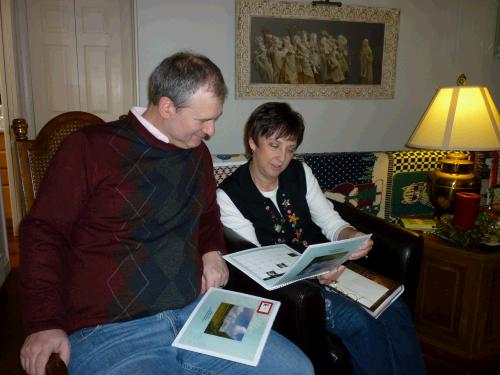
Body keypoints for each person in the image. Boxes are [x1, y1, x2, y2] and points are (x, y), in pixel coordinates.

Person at [19, 53, 314, 375]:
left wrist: (212, 250)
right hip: (111, 328)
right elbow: (43, 233)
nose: (211, 130)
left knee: (296, 368)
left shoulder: (197, 154)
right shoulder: (88, 148)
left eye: (215, 118)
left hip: (196, 312)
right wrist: (43, 322)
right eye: (202, 120)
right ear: (167, 106)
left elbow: (208, 216)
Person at [217, 102, 427, 375]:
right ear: (252, 142)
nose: (282, 158)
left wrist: (350, 235)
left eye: (290, 149)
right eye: (274, 145)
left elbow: (330, 221)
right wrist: (314, 273)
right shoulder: (230, 196)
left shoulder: (299, 173)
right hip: (292, 292)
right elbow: (258, 267)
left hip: (330, 271)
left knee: (395, 309)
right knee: (360, 324)